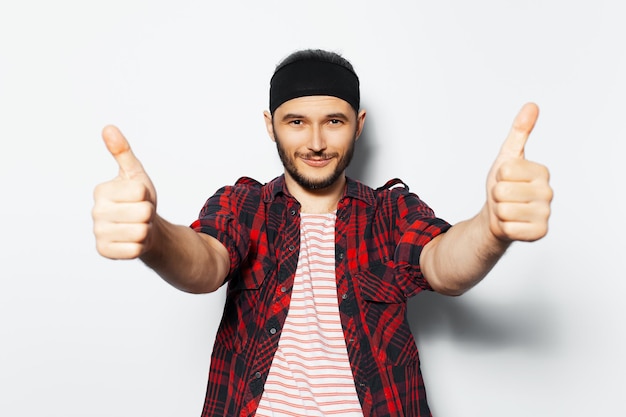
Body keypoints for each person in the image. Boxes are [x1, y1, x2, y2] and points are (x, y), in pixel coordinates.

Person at [92, 49, 553, 417]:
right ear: (271, 125)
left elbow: (442, 263)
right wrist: (152, 236)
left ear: (359, 125)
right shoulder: (243, 204)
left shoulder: (390, 211)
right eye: (296, 122)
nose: (315, 142)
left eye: (334, 121)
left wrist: (492, 228)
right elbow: (205, 262)